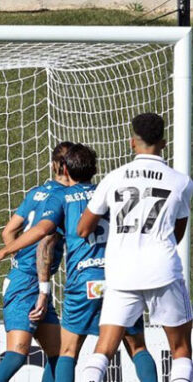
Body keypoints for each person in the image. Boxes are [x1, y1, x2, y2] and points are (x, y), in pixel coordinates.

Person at [0, 143, 156, 381]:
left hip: (81, 281)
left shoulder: (59, 197)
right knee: (137, 348)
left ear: (63, 167)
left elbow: (44, 235)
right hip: (118, 279)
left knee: (64, 352)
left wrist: (5, 253)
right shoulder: (111, 193)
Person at [79, 113, 193, 382]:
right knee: (180, 350)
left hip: (122, 271)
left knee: (103, 349)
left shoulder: (114, 178)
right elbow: (178, 231)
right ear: (163, 143)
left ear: (132, 142)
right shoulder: (181, 182)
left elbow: (83, 228)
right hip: (162, 270)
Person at [0, 141, 73, 382]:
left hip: (30, 278)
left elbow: (8, 231)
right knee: (17, 354)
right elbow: (45, 238)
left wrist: (18, 259)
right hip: (27, 283)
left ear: (54, 165)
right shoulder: (67, 199)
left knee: (59, 354)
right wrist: (23, 264)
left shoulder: (36, 192)